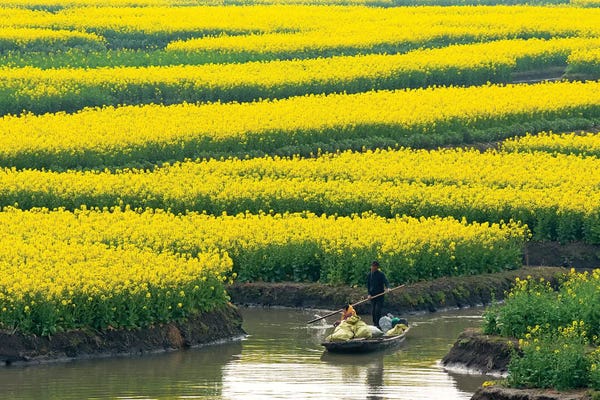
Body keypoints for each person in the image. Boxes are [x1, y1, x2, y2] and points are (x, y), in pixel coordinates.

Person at [366, 260, 390, 329]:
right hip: (372, 296)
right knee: (373, 311)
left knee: (378, 310)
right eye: (372, 266)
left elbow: (386, 282)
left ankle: (378, 325)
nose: (373, 268)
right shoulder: (369, 275)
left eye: (374, 267)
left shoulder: (381, 274)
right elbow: (368, 286)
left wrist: (388, 288)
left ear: (377, 267)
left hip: (380, 295)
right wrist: (369, 294)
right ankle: (375, 324)